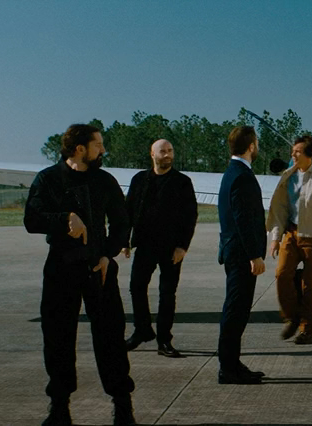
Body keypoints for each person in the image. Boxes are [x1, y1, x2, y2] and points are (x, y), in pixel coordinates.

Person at [23, 124, 137, 425]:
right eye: (98, 145)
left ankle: (123, 406)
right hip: (61, 268)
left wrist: (108, 254)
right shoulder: (48, 179)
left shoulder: (104, 180)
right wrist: (65, 219)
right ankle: (60, 408)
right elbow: (31, 219)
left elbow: (121, 223)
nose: (103, 150)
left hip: (99, 268)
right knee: (58, 340)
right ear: (79, 149)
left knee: (110, 339)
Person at [123, 139, 198, 356]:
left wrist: (182, 246)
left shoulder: (182, 182)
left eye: (170, 151)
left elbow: (190, 216)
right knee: (136, 287)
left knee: (167, 293)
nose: (167, 155)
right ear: (152, 154)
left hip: (171, 248)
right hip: (145, 245)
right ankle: (142, 330)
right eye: (163, 151)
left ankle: (164, 340)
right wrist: (124, 240)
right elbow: (128, 211)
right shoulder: (139, 180)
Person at [266, 136, 312, 345]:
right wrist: (275, 237)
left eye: (297, 152)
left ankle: (307, 330)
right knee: (282, 274)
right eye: (292, 151)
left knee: (310, 286)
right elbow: (280, 208)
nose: (293, 155)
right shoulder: (288, 176)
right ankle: (292, 317)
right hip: (291, 234)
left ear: (310, 155)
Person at [216, 125, 268, 384]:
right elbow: (243, 219)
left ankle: (233, 364)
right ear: (251, 146)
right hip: (241, 255)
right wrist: (254, 255)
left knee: (237, 310)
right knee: (236, 311)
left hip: (234, 251)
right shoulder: (242, 176)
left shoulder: (232, 172)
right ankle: (228, 368)